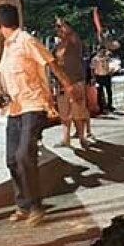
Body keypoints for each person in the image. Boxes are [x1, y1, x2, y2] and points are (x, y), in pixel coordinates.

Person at [0, 4, 75, 227]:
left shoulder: (26, 40)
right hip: (15, 108)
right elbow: (3, 76)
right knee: (11, 159)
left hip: (33, 106)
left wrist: (68, 87)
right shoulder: (8, 46)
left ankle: (36, 207)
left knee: (24, 155)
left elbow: (51, 62)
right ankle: (22, 205)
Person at [52, 17, 91, 148]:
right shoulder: (58, 45)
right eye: (57, 28)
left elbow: (70, 34)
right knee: (64, 113)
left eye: (61, 27)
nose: (59, 30)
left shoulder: (74, 41)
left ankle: (82, 137)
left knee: (78, 111)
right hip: (62, 82)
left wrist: (62, 22)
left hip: (75, 81)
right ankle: (66, 138)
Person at [90, 47, 113, 114]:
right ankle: (101, 108)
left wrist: (111, 72)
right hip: (99, 77)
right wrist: (93, 78)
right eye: (102, 51)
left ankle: (109, 106)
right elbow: (92, 68)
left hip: (106, 76)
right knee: (99, 93)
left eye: (104, 51)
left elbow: (111, 64)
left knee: (109, 92)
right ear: (99, 51)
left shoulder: (107, 58)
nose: (103, 52)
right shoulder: (95, 59)